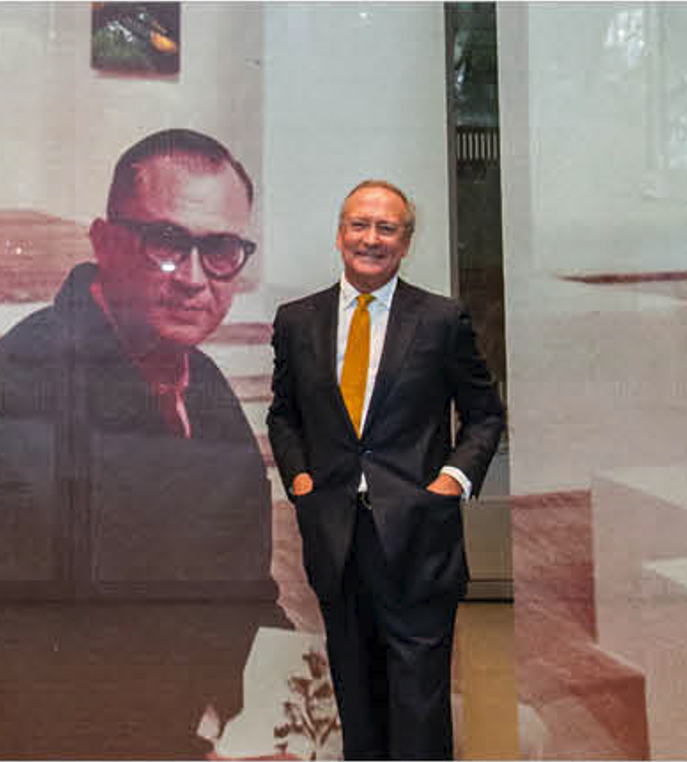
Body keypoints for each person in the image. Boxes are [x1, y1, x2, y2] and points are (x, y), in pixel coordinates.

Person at [0, 128, 290, 759]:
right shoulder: (19, 388)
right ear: (105, 243)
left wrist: (292, 713)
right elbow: (14, 674)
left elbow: (246, 592)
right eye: (166, 242)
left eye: (219, 249)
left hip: (197, 725)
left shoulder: (202, 382)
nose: (194, 278)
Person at [265, 179, 504, 760]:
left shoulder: (442, 320)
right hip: (336, 536)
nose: (370, 239)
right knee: (357, 704)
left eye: (386, 228)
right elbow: (283, 415)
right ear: (340, 232)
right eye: (359, 225)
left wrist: (450, 484)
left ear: (406, 241)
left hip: (420, 537)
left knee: (420, 711)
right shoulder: (298, 320)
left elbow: (484, 415)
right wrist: (301, 483)